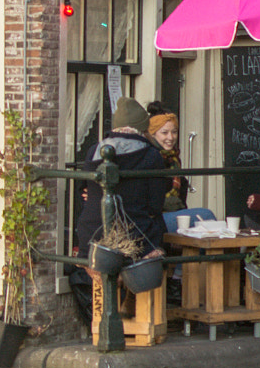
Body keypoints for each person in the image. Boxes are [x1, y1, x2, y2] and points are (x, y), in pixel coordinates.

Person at [70, 97, 171, 318]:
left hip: (92, 236)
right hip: (132, 234)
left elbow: (83, 193)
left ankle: (107, 316)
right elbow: (155, 204)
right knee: (156, 229)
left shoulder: (94, 150)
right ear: (142, 127)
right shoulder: (151, 154)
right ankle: (133, 299)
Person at [149, 112, 186, 212]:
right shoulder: (148, 158)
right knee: (207, 214)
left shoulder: (174, 159)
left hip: (175, 213)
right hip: (155, 217)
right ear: (152, 134)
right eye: (164, 133)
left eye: (174, 132)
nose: (170, 137)